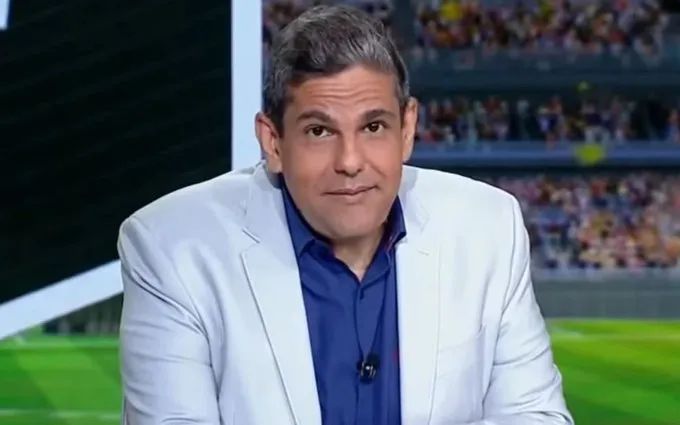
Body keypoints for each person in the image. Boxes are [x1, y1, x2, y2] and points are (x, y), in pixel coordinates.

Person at [117, 5, 573, 425]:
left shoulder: (488, 227)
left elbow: (535, 417)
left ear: (407, 129)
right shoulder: (172, 248)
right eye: (320, 131)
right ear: (273, 142)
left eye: (373, 127)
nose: (350, 161)